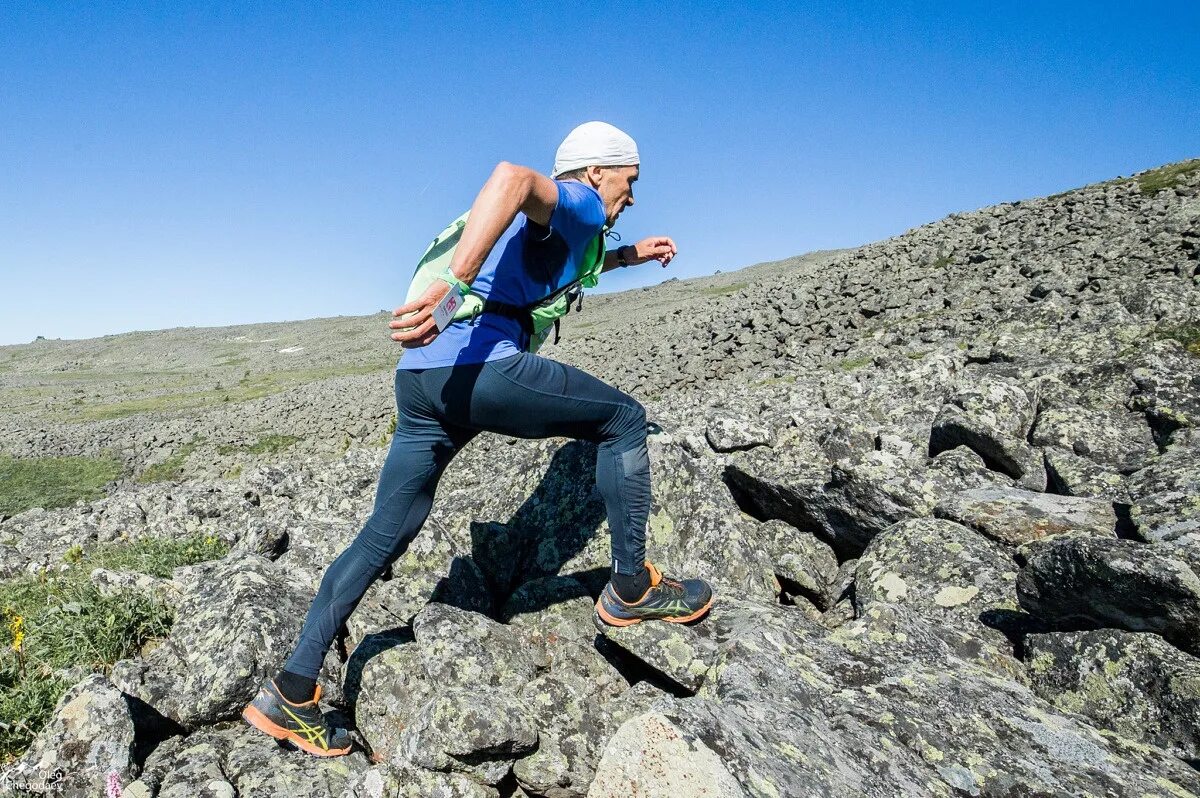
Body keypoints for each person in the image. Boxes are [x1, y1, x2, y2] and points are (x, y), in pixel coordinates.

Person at [242, 122, 714, 757]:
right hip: (483, 365)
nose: (631, 197)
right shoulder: (573, 199)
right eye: (630, 183)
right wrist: (457, 284)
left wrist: (632, 256)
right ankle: (632, 590)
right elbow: (512, 178)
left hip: (423, 380)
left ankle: (292, 690)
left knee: (385, 531)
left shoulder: (575, 226)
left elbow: (550, 267)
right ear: (599, 172)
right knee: (624, 419)